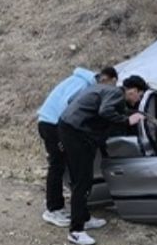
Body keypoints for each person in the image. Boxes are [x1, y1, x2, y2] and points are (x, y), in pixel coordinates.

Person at [57, 75, 148, 245]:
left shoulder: (106, 89)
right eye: (140, 96)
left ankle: (84, 217)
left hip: (70, 127)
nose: (139, 100)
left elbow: (74, 101)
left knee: (83, 178)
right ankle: (76, 231)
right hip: (75, 133)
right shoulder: (116, 94)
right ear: (133, 91)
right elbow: (105, 112)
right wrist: (127, 120)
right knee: (82, 181)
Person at [36, 66, 118, 227]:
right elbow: (67, 109)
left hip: (55, 124)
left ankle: (81, 214)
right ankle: (53, 209)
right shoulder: (82, 85)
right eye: (112, 83)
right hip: (52, 124)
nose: (111, 89)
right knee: (57, 165)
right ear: (105, 79)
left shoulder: (83, 82)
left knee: (71, 167)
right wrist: (63, 136)